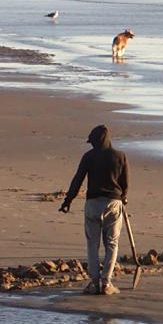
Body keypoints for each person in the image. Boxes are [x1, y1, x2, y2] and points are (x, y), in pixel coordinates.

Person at [58, 125, 130, 295]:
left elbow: (78, 180)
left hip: (93, 204)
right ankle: (106, 283)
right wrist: (124, 197)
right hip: (114, 203)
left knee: (92, 244)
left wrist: (68, 200)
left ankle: (94, 283)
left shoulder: (89, 157)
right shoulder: (120, 156)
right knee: (112, 244)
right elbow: (125, 183)